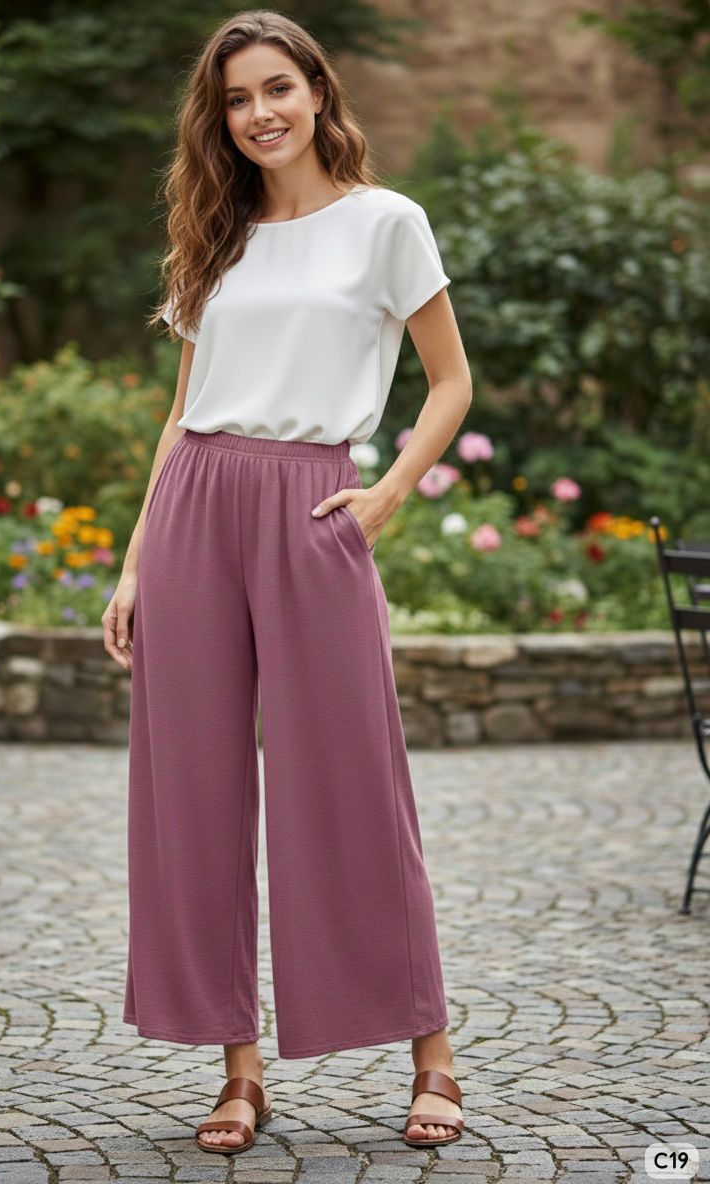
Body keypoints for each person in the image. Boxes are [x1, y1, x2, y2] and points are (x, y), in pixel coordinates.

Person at [102, 8, 473, 1158]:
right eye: (235, 99)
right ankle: (240, 1071)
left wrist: (387, 493)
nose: (258, 114)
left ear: (317, 89)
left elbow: (452, 381)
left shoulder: (385, 223)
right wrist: (131, 559)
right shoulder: (218, 235)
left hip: (315, 505)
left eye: (277, 88)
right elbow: (181, 408)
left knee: (356, 778)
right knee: (195, 795)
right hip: (193, 511)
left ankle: (431, 1047)